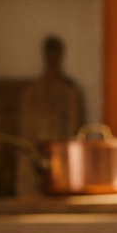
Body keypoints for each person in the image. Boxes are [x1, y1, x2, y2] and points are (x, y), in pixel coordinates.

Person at [17, 36, 85, 195]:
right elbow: (26, 136)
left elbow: (73, 130)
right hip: (35, 179)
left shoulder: (69, 93)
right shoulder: (31, 94)